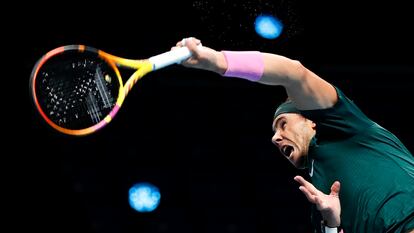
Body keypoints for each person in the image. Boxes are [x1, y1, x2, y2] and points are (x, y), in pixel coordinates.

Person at [172, 37, 414, 233]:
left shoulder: (348, 128)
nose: (275, 138)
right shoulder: (318, 201)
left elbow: (293, 73)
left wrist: (216, 60)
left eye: (283, 124)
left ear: (312, 122)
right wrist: (331, 223)